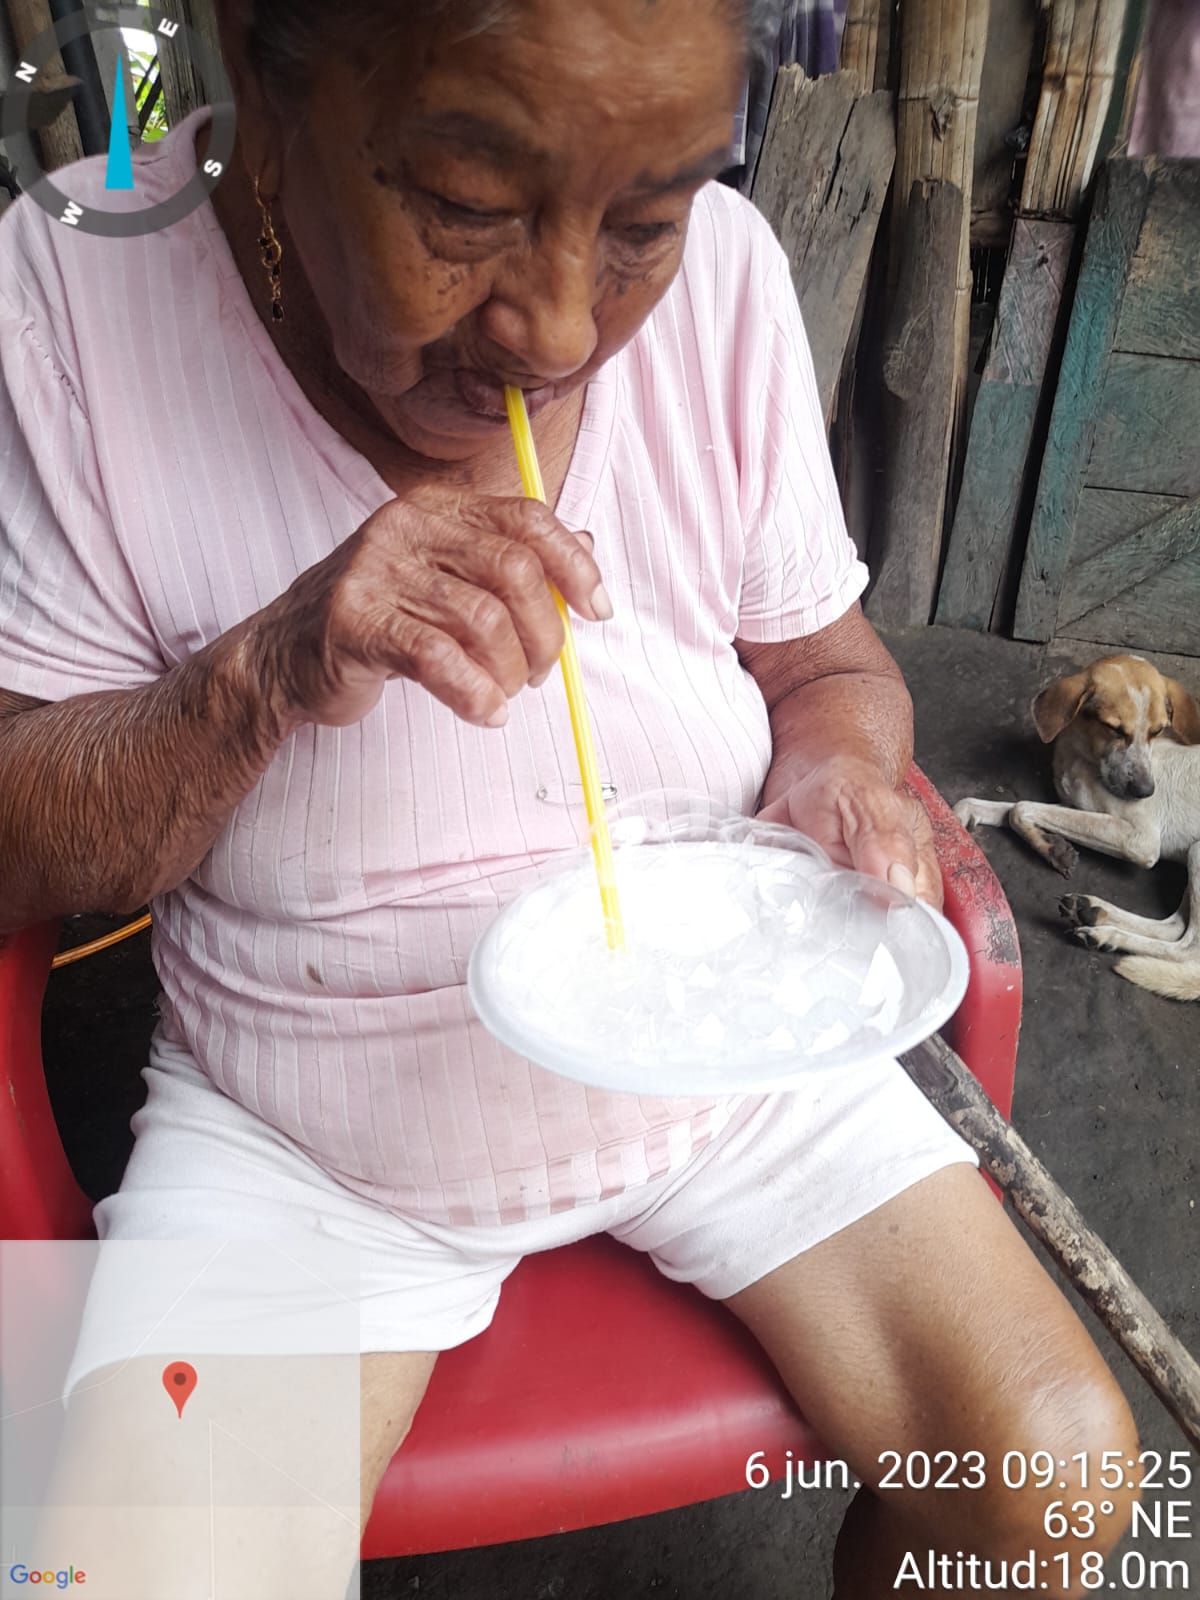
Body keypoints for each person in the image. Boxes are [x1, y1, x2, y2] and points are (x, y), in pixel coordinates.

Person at [0, 0, 1137, 1595]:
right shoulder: (80, 286)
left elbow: (827, 663)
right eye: (465, 207)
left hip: (732, 1051)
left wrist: (839, 766)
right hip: (312, 1130)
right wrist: (259, 673)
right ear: (258, 71)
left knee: (1051, 1490)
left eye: (643, 223)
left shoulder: (727, 278)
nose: (553, 333)